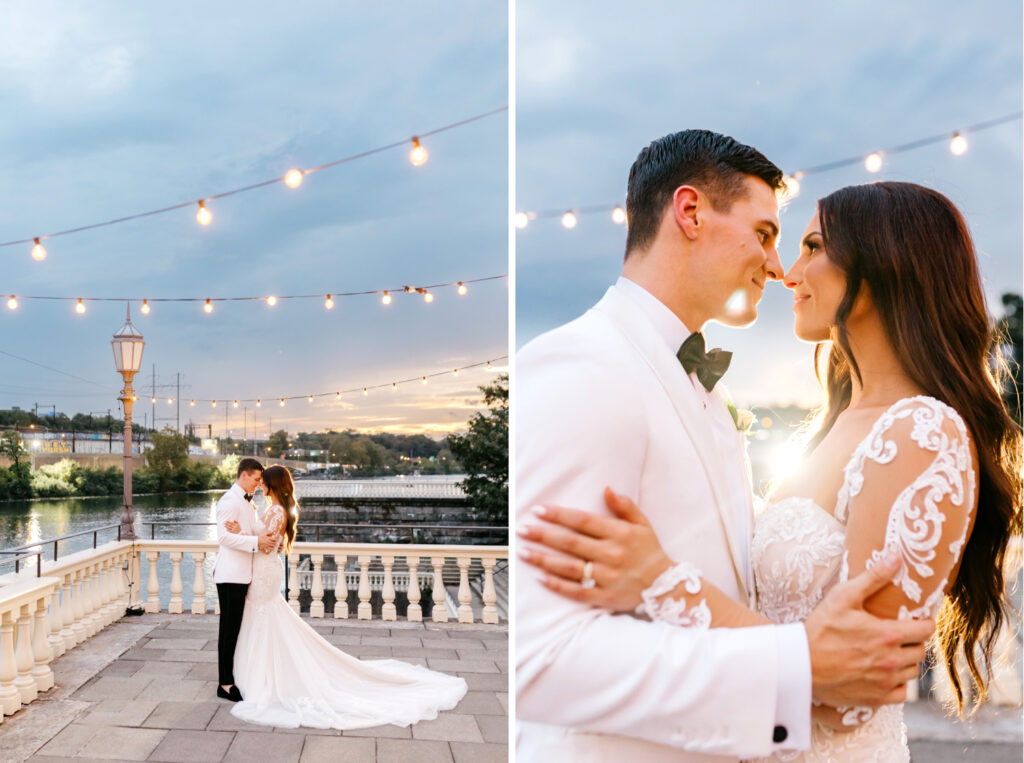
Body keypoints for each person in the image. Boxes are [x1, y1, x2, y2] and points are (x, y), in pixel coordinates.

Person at [520, 181, 1022, 761]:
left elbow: (851, 695)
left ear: (882, 266)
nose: (788, 271)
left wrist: (663, 581)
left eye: (811, 246)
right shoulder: (833, 427)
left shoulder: (920, 433)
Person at [222, 464, 468, 729]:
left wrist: (241, 534)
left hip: (263, 573)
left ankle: (262, 677)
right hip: (263, 571)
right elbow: (271, 542)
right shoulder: (276, 510)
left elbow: (268, 544)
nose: (260, 485)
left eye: (263, 481)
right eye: (258, 480)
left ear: (273, 484)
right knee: (265, 619)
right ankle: (260, 673)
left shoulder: (276, 510)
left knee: (264, 618)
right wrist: (250, 535)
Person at [212, 457, 275, 702]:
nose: (259, 484)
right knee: (228, 630)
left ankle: (232, 675)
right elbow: (223, 537)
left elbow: (247, 532)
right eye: (257, 479)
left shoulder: (247, 503)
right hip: (230, 575)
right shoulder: (230, 500)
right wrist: (255, 542)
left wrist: (255, 536)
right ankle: (225, 684)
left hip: (243, 574)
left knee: (235, 628)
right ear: (244, 475)